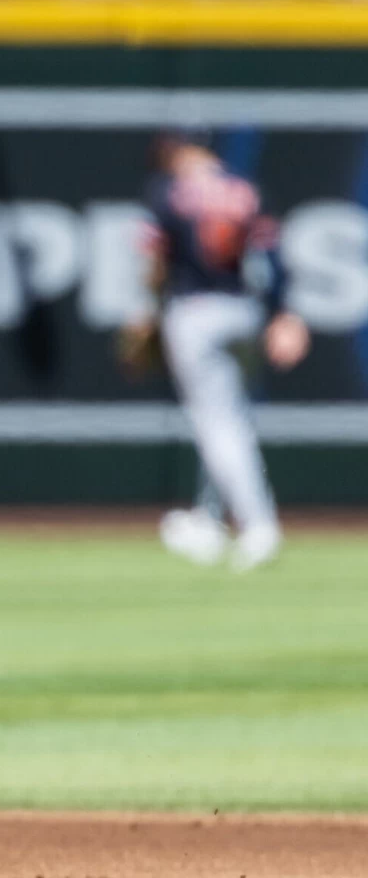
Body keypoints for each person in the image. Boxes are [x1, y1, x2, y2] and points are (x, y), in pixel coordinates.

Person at [118, 136, 307, 573]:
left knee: (218, 425)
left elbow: (156, 258)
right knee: (230, 420)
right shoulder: (244, 188)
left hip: (196, 312)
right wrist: (284, 315)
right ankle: (209, 519)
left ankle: (258, 525)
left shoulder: (170, 190)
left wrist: (146, 311)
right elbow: (272, 256)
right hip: (244, 311)